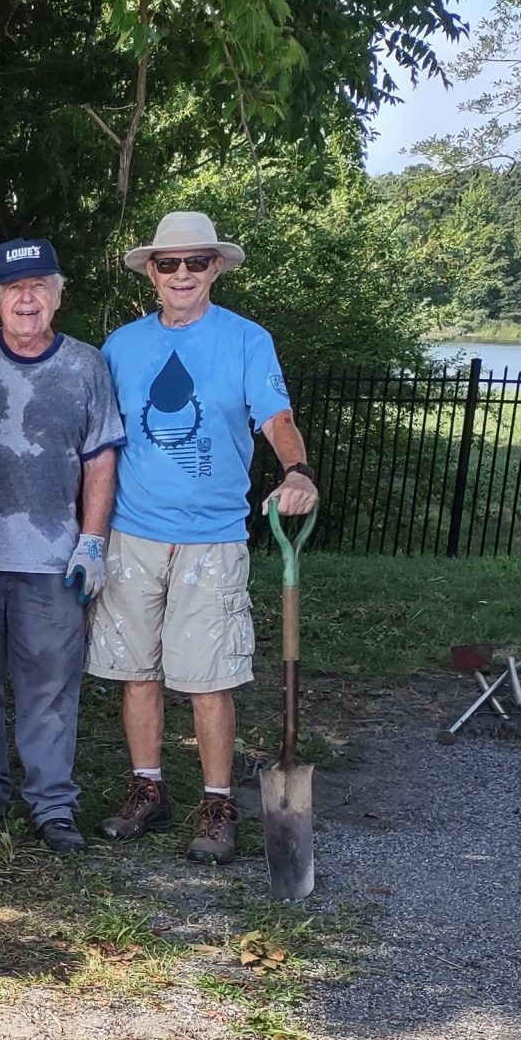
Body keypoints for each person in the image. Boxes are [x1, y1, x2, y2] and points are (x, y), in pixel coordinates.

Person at [90, 211, 319, 864]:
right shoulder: (121, 347)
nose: (183, 274)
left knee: (208, 677)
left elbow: (275, 416)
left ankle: (217, 803)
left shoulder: (246, 340)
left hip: (212, 536)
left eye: (196, 262)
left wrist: (296, 468)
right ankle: (148, 789)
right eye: (170, 264)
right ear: (152, 274)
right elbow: (96, 438)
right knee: (135, 673)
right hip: (131, 533)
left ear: (216, 267)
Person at [0, 238, 125, 852]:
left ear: (58, 296)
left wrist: (92, 542)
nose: (28, 298)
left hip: (54, 560)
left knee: (50, 683)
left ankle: (52, 805)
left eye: (40, 286)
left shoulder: (86, 365)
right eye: (15, 289)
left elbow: (100, 459)